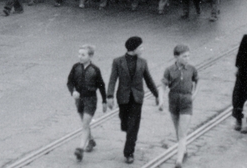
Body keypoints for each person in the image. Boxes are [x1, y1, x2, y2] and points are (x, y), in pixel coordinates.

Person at [107, 36, 160, 164]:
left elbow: (148, 80)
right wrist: (109, 96)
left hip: (137, 97)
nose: (143, 49)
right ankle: (127, 129)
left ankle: (129, 152)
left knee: (133, 126)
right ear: (134, 48)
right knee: (125, 123)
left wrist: (157, 95)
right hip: (123, 97)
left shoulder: (143, 62)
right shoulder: (117, 61)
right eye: (140, 47)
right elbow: (113, 79)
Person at [160, 44, 199, 168]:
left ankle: (178, 161)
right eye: (184, 56)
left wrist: (195, 94)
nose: (187, 58)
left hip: (186, 101)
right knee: (178, 130)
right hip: (173, 101)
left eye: (188, 56)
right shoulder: (169, 70)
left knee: (182, 133)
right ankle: (184, 150)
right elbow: (163, 86)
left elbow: (198, 80)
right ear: (176, 57)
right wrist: (161, 101)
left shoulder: (192, 69)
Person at [67, 44, 107, 162]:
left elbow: (101, 86)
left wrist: (104, 100)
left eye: (83, 55)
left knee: (85, 124)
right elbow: (70, 82)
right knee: (85, 122)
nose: (80, 57)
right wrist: (73, 91)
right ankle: (91, 141)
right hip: (79, 100)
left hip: (91, 100)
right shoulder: (75, 67)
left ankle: (80, 149)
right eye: (79, 54)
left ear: (90, 56)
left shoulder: (95, 70)